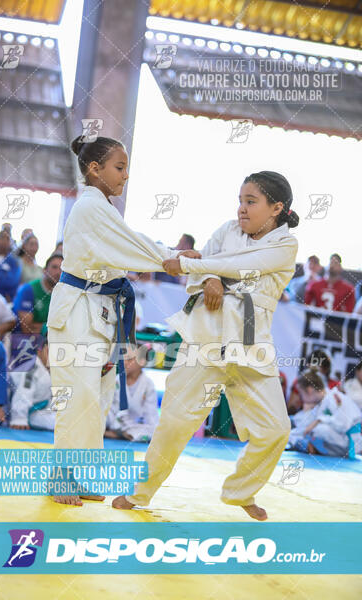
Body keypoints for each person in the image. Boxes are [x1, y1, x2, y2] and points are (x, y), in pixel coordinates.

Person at [113, 170, 299, 521]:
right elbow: (208, 265)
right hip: (206, 338)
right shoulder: (227, 230)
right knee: (175, 421)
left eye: (251, 201)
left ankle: (241, 491)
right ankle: (139, 492)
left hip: (250, 344)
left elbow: (242, 266)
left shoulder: (285, 245)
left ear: (276, 208)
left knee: (276, 429)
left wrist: (191, 263)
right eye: (240, 200)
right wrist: (207, 276)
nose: (242, 209)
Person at [47, 136, 200, 506]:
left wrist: (171, 255)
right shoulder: (89, 206)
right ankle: (60, 475)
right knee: (77, 393)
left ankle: (81, 474)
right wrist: (171, 256)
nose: (126, 175)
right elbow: (132, 243)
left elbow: (130, 241)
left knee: (97, 397)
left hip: (98, 310)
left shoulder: (102, 208)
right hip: (76, 308)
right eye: (119, 167)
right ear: (94, 168)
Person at [289, 370, 362, 457]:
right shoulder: (322, 402)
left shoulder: (335, 398)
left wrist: (319, 421)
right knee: (301, 433)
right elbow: (305, 425)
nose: (301, 398)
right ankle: (313, 448)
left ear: (309, 390)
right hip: (341, 440)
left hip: (351, 443)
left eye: (301, 394)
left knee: (319, 430)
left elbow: (344, 424)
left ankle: (315, 449)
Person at [105, 344, 159, 442]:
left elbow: (151, 415)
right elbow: (113, 411)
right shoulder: (116, 381)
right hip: (114, 423)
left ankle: (119, 434)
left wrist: (154, 431)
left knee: (152, 433)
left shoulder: (148, 384)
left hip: (136, 425)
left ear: (142, 361)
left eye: (129, 359)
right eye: (123, 359)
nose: (125, 363)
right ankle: (116, 433)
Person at [9, 338, 55, 431]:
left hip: (42, 409)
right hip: (28, 412)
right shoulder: (32, 368)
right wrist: (19, 418)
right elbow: (24, 392)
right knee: (58, 423)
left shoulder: (50, 370)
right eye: (50, 352)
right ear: (39, 351)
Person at [13, 254, 62, 334]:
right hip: (22, 342)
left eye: (62, 269)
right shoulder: (28, 289)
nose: (58, 272)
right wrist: (50, 329)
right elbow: (27, 328)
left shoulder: (64, 294)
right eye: (54, 267)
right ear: (44, 270)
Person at [287, 349, 340, 415]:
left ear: (326, 369)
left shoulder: (335, 386)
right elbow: (291, 407)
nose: (313, 371)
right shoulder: (300, 382)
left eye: (317, 368)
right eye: (310, 367)